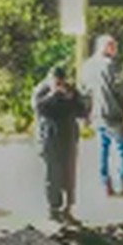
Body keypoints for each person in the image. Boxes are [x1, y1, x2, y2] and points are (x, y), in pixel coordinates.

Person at [80, 34, 123, 198]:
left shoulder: (86, 66)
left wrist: (85, 115)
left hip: (96, 114)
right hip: (112, 112)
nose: (115, 49)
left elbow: (84, 91)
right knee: (122, 149)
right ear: (106, 47)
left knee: (103, 150)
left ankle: (105, 184)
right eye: (113, 46)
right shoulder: (111, 66)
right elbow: (120, 88)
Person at [31, 65, 85, 225]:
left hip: (68, 137)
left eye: (62, 80)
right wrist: (53, 95)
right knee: (53, 174)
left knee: (69, 175)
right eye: (56, 80)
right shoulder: (41, 90)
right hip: (49, 137)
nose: (60, 83)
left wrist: (72, 98)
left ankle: (68, 210)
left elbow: (82, 111)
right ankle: (54, 210)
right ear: (50, 78)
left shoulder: (70, 89)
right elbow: (39, 109)